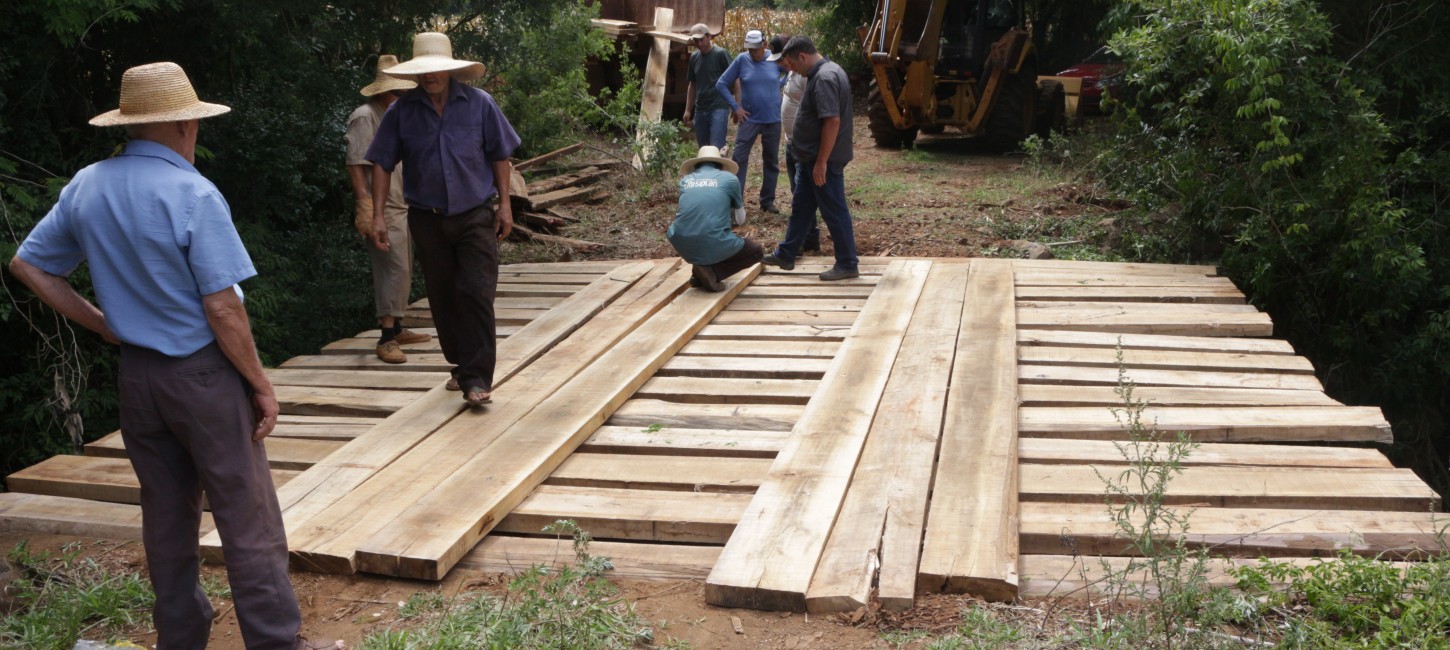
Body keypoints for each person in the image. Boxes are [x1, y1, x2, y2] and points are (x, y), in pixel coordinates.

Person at [7, 62, 339, 650]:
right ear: (186, 123)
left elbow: (28, 265)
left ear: (131, 125)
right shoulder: (192, 191)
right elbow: (224, 308)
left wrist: (104, 325)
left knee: (165, 513)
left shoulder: (87, 184)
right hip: (203, 376)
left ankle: (181, 636)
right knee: (247, 514)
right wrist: (260, 383)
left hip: (138, 377)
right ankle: (274, 640)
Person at [365, 32, 521, 407]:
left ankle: (477, 377)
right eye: (423, 71)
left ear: (449, 71)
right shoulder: (402, 112)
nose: (430, 76)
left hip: (475, 216)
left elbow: (501, 155)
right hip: (427, 219)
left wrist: (505, 205)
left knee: (477, 293)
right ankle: (461, 365)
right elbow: (382, 164)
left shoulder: (480, 104)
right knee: (444, 297)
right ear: (416, 74)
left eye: (436, 69)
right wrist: (378, 215)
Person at [346, 54, 431, 364]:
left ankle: (397, 328)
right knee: (392, 268)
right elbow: (356, 163)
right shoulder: (365, 116)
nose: (401, 98)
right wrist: (365, 206)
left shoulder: (397, 116)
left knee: (404, 267)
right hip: (383, 206)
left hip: (405, 203)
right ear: (382, 92)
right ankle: (385, 337)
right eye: (396, 92)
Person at [763, 36, 860, 281]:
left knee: (834, 210)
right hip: (809, 158)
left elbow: (832, 121)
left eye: (793, 65)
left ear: (803, 57)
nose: (792, 70)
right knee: (801, 208)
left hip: (822, 160)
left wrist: (822, 162)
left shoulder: (825, 78)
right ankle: (787, 253)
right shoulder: (828, 70)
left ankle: (848, 262)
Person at [667, 146, 764, 291]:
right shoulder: (730, 179)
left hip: (679, 239)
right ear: (721, 164)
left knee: (704, 233)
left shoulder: (686, 180)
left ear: (696, 165)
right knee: (756, 251)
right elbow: (740, 219)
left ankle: (698, 275)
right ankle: (713, 273)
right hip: (710, 238)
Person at [715, 29, 783, 215]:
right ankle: (736, 202)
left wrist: (781, 84)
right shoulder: (741, 60)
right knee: (739, 159)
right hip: (749, 118)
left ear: (764, 44)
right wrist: (736, 107)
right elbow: (721, 83)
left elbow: (792, 70)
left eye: (756, 49)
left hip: (773, 119)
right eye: (750, 49)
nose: (753, 52)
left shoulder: (774, 59)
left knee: (771, 161)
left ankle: (767, 201)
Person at [768, 34, 819, 253]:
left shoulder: (807, 75)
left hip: (803, 145)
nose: (780, 64)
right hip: (792, 143)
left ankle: (805, 240)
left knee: (804, 196)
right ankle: (806, 240)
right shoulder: (791, 73)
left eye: (783, 59)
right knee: (798, 193)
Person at [682, 23, 732, 149]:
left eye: (701, 40)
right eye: (695, 40)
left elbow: (735, 79)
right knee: (703, 148)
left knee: (716, 147)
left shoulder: (721, 54)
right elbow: (692, 85)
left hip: (718, 106)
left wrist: (736, 104)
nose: (698, 44)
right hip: (700, 108)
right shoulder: (694, 57)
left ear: (709, 36)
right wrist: (688, 110)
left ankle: (719, 168)